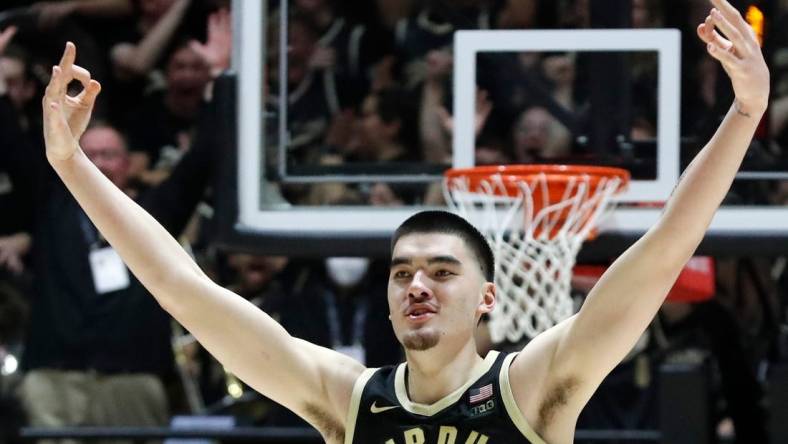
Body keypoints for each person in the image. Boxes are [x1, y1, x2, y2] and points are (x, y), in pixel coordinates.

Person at [41, 0, 768, 441]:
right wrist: (73, 166)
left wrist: (742, 114)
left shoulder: (535, 388)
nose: (416, 284)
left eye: (442, 271)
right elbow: (180, 285)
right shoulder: (347, 400)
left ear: (490, 297)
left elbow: (668, 244)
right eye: (402, 272)